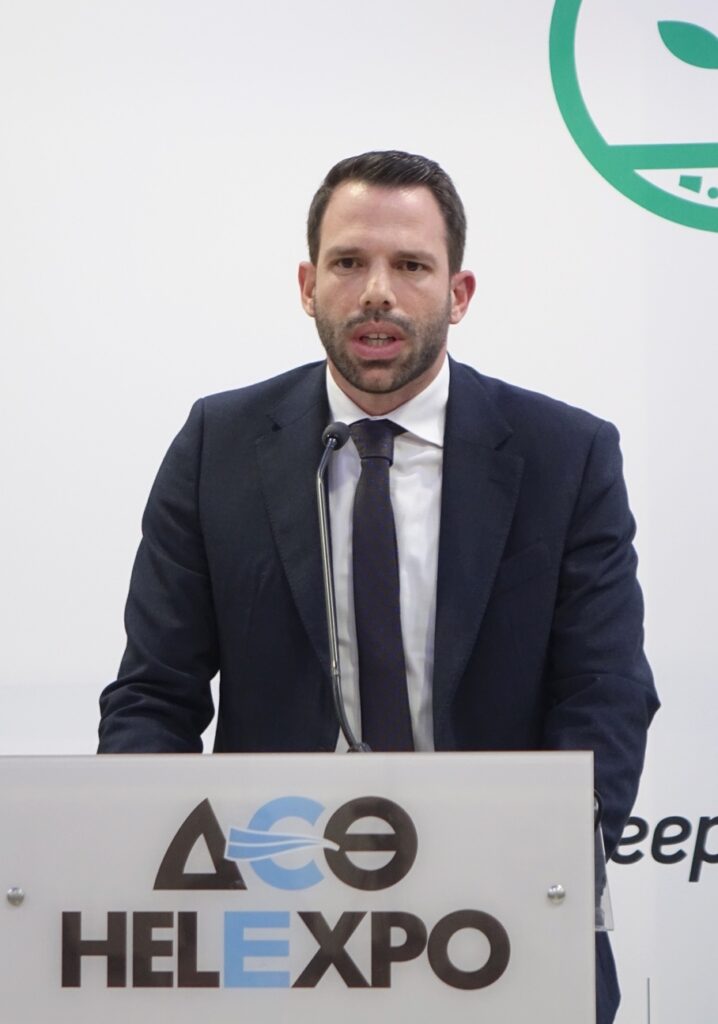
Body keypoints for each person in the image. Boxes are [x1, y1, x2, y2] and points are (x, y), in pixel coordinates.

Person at [98, 150, 659, 1023]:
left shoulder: (566, 455)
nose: (376, 293)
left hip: (498, 919)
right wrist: (165, 877)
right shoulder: (218, 445)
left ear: (459, 293)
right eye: (349, 262)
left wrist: (544, 863)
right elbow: (152, 696)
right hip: (268, 929)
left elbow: (605, 691)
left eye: (411, 266)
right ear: (307, 285)